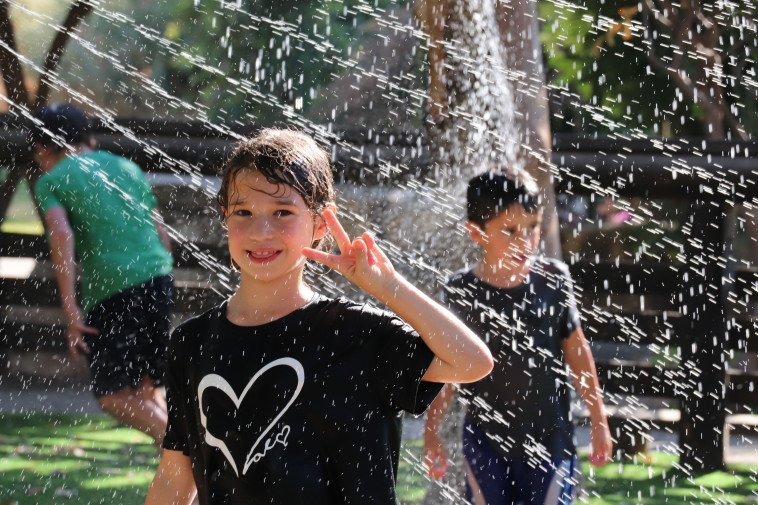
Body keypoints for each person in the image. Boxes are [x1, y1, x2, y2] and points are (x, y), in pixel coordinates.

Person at [144, 128, 494, 505]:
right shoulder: (193, 343)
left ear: (321, 225)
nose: (261, 231)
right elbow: (174, 480)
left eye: (283, 213)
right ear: (226, 219)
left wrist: (390, 288)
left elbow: (472, 362)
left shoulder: (358, 334)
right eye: (244, 212)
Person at [423, 169, 613, 505]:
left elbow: (577, 351)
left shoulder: (553, 280)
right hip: (485, 441)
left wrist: (599, 420)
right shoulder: (462, 291)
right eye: (510, 231)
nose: (525, 241)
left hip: (550, 439)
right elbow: (447, 369)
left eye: (533, 227)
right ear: (476, 233)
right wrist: (431, 431)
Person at [30, 103, 174, 447]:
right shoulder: (125, 167)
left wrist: (70, 307)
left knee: (112, 395)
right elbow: (160, 232)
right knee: (146, 391)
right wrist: (158, 280)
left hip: (115, 289)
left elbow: (61, 235)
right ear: (89, 139)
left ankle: (189, 443)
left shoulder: (51, 180)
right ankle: (192, 493)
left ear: (43, 148)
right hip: (159, 280)